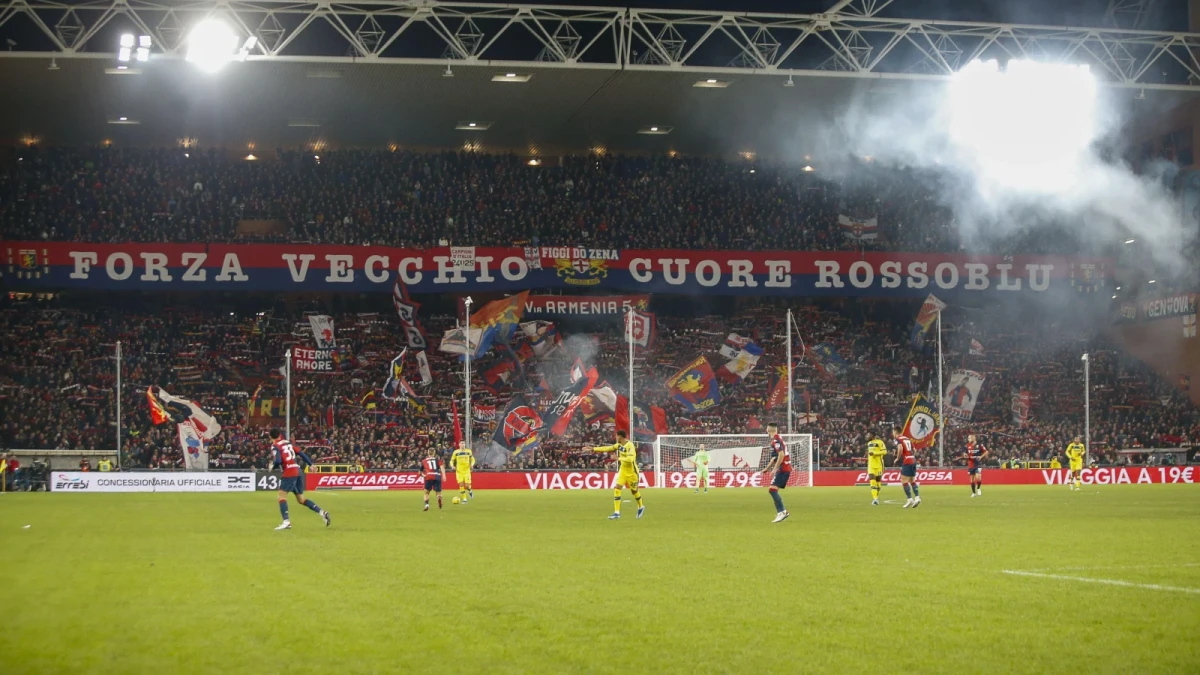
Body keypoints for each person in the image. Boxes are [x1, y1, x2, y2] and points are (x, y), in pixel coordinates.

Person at [270, 427, 330, 531]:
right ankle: (322, 513)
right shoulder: (288, 443)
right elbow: (301, 453)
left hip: (289, 472)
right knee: (301, 499)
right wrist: (310, 464)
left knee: (281, 496)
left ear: (270, 437)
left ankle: (286, 522)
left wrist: (272, 467)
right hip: (298, 471)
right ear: (280, 435)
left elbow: (278, 461)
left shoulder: (275, 446)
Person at [587, 429, 645, 520]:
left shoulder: (630, 446)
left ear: (620, 437)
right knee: (617, 488)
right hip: (623, 470)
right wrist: (594, 449)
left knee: (634, 491)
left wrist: (618, 458)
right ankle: (617, 513)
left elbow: (630, 460)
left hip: (632, 472)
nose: (615, 437)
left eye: (616, 436)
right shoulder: (618, 445)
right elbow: (608, 448)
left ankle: (641, 506)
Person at [761, 422, 790, 523]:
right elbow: (775, 457)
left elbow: (781, 455)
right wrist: (767, 468)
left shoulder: (776, 440)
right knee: (772, 490)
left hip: (783, 468)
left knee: (772, 490)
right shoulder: (777, 438)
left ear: (768, 430)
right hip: (783, 467)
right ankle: (782, 512)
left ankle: (782, 512)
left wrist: (774, 469)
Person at [893, 426, 921, 508]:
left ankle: (909, 499)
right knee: (912, 480)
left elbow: (900, 448)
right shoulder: (907, 438)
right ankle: (917, 497)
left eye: (893, 432)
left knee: (903, 480)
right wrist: (912, 457)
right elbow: (915, 450)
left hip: (907, 461)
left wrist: (897, 458)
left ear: (895, 432)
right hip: (913, 460)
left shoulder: (898, 439)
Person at [866, 437, 887, 505]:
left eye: (869, 435)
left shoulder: (880, 442)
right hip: (871, 465)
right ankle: (875, 499)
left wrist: (874, 453)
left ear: (873, 435)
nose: (867, 436)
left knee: (878, 482)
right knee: (872, 482)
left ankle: (876, 498)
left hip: (879, 465)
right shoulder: (869, 443)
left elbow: (885, 451)